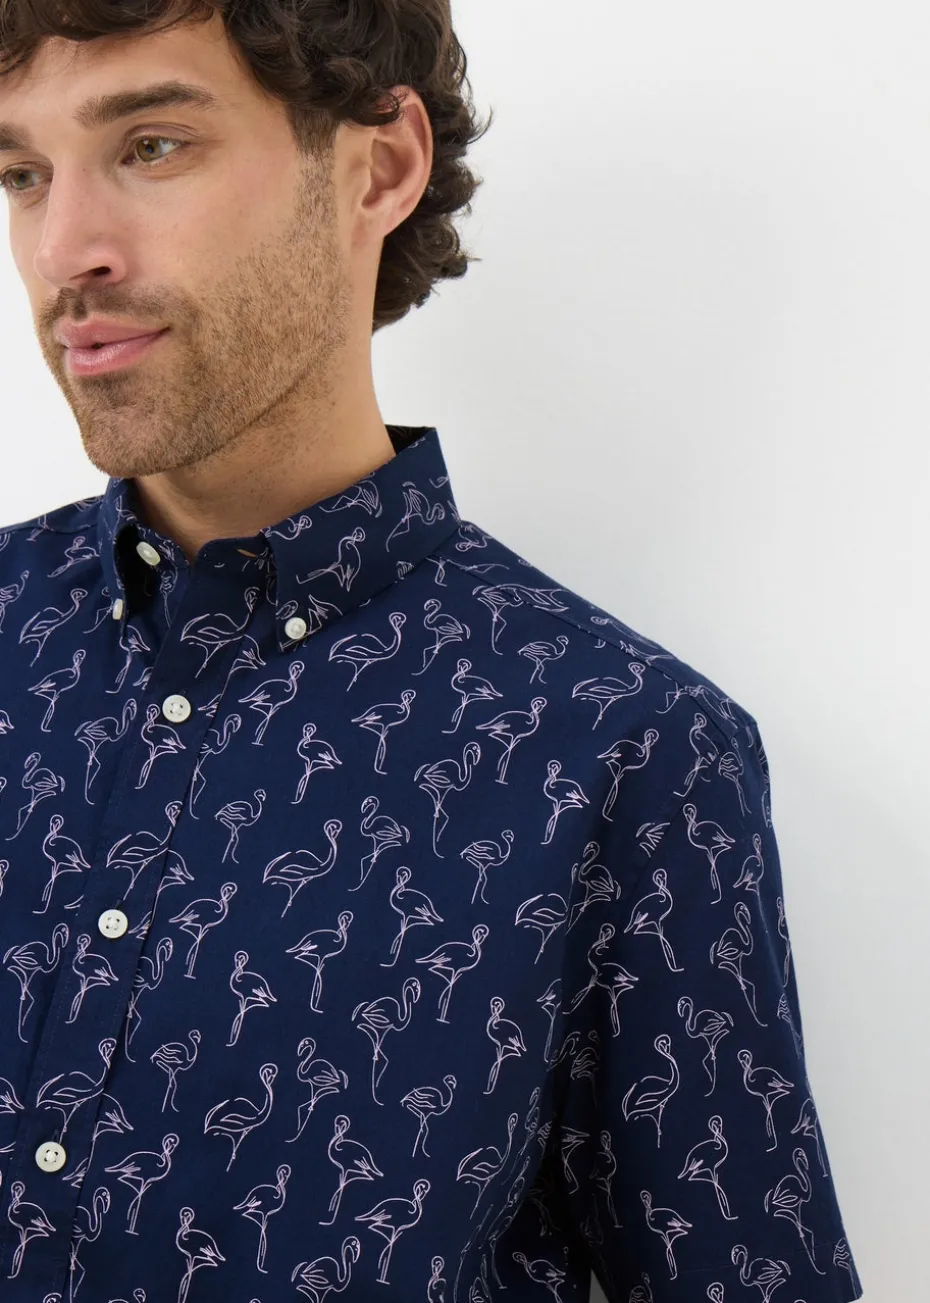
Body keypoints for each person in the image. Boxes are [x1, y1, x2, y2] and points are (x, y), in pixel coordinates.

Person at [0, 3, 862, 1301]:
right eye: (21, 172)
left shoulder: (620, 752)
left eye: (153, 145)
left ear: (379, 165)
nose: (64, 249)